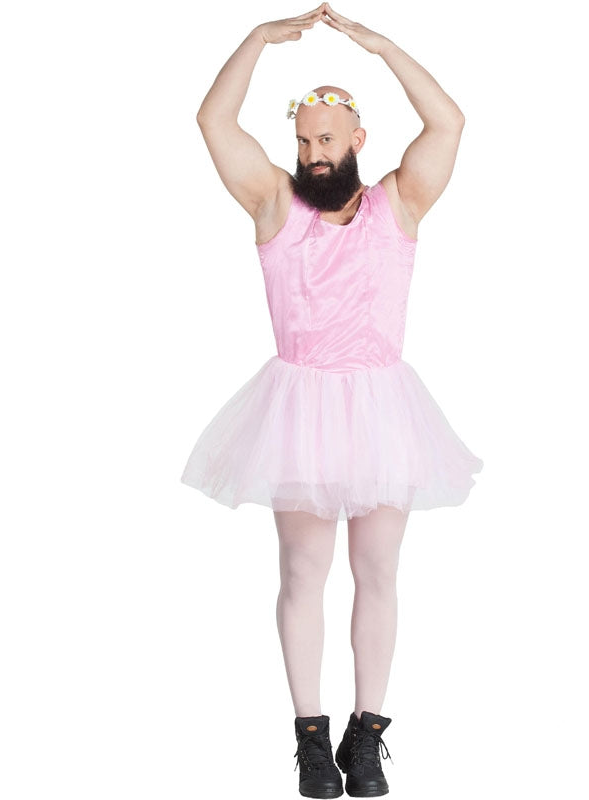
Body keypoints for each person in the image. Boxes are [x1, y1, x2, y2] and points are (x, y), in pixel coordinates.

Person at [180, 4, 483, 797]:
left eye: (328, 140)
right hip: (301, 409)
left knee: (377, 570)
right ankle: (311, 736)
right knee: (302, 570)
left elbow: (449, 121)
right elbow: (213, 122)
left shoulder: (400, 204)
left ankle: (367, 734)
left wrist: (381, 48)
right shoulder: (275, 206)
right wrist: (255, 40)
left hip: (383, 409)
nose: (315, 155)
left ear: (358, 141)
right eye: (305, 141)